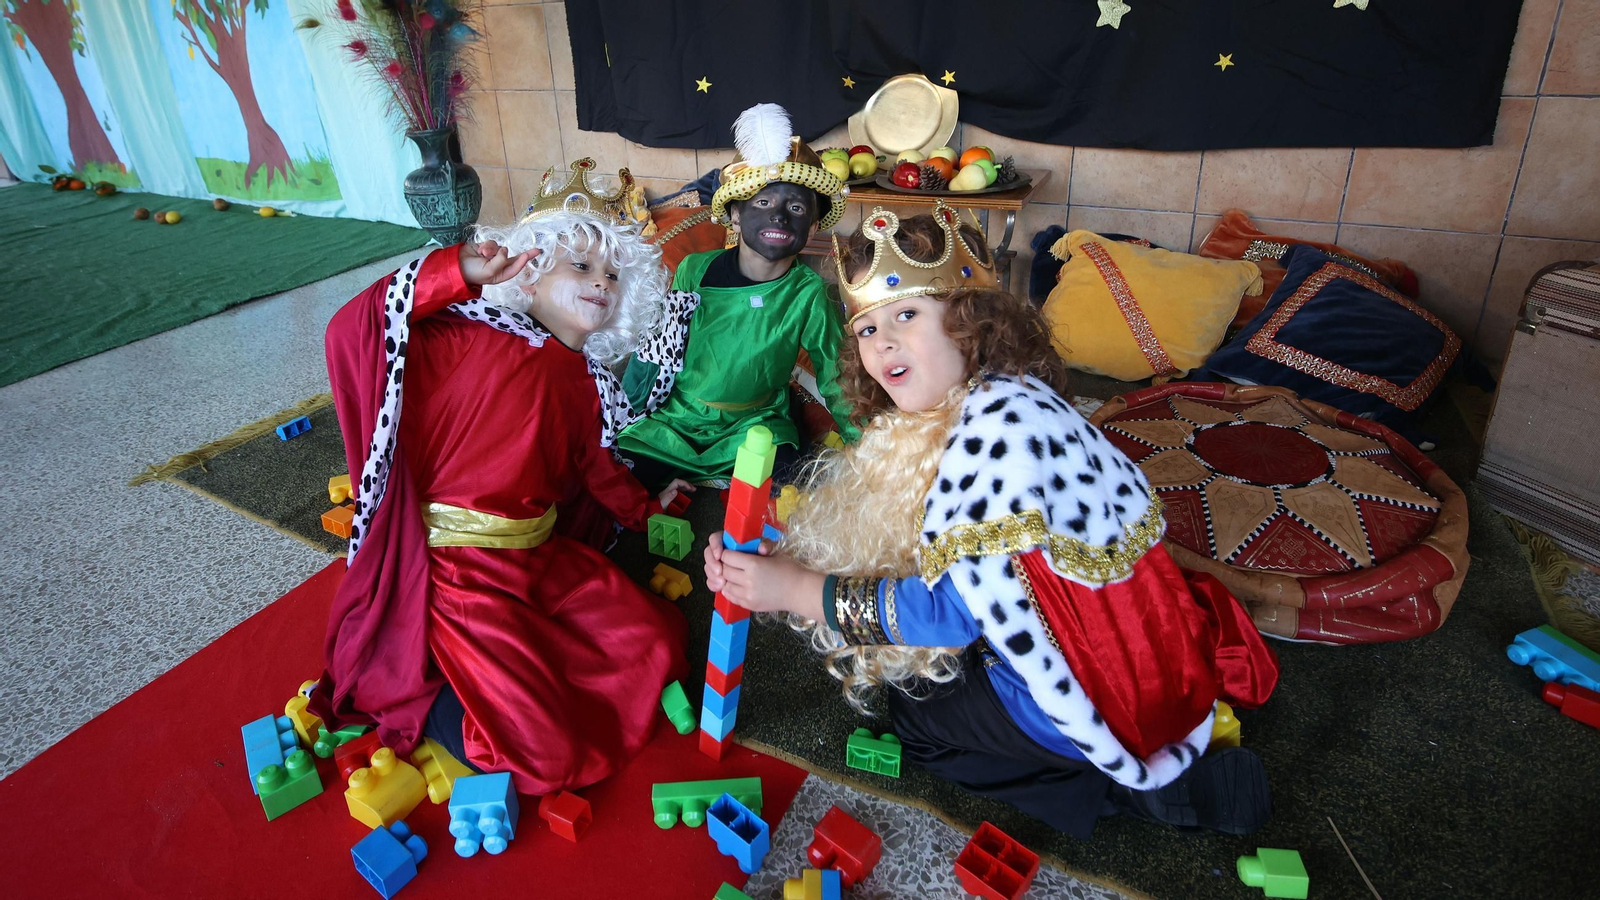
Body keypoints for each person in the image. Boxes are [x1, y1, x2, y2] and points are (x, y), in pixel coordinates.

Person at [703, 203, 1281, 838]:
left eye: (906, 314)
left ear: (969, 324)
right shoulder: (1002, 397)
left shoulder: (995, 444)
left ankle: (1144, 794)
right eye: (866, 327)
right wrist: (785, 545)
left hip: (1092, 685)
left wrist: (796, 590)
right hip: (1134, 643)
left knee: (916, 718)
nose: (882, 341)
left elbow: (946, 614)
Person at [309, 159, 691, 795]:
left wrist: (648, 511)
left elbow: (595, 470)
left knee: (654, 642)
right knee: (545, 756)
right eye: (582, 265)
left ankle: (494, 672)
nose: (601, 283)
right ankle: (426, 685)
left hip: (538, 562)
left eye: (613, 274)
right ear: (532, 271)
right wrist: (455, 272)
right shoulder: (466, 337)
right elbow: (359, 331)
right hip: (462, 578)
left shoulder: (585, 379)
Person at [618, 102, 858, 489]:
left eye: (795, 208)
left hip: (755, 427)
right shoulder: (694, 270)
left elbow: (837, 375)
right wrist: (622, 414)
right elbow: (657, 351)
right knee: (620, 479)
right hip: (675, 422)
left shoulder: (811, 294)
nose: (779, 217)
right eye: (763, 203)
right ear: (735, 215)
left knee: (793, 493)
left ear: (812, 227)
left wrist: (866, 448)